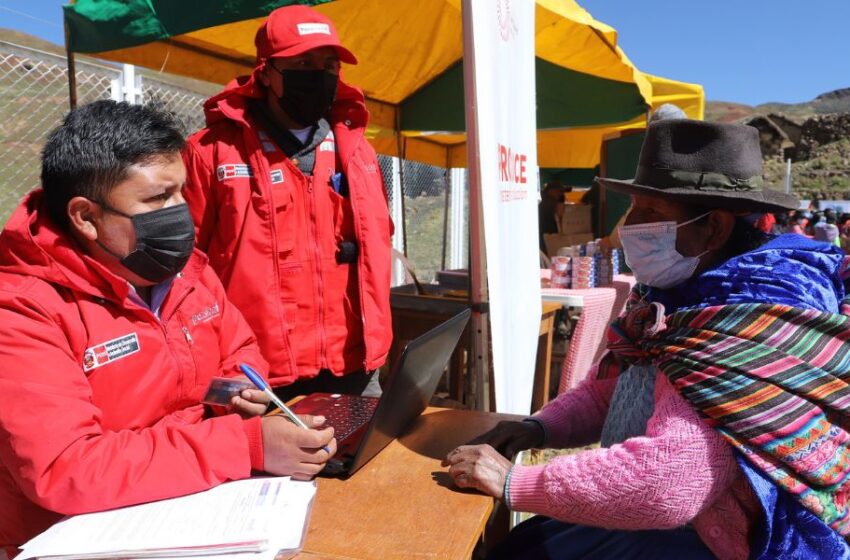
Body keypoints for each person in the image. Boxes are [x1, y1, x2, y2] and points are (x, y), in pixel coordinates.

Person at [445, 119, 850, 559]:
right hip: (678, 523)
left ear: (713, 228)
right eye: (632, 208)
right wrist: (537, 428)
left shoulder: (746, 316)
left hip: (721, 541)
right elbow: (614, 394)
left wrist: (513, 482)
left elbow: (671, 481)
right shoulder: (675, 296)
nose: (630, 226)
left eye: (651, 213)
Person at [0, 101, 337, 552]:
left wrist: (233, 390)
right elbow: (65, 468)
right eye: (158, 199)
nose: (182, 213)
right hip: (76, 537)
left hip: (197, 507)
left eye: (181, 192)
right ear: (86, 217)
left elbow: (239, 348)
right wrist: (243, 446)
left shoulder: (188, 274)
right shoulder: (23, 309)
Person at [182, 5, 392, 401]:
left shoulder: (359, 152)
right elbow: (186, 265)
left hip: (352, 366)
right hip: (254, 374)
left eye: (329, 65)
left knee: (367, 463)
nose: (320, 75)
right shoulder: (211, 152)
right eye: (305, 62)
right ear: (267, 70)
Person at [538, 181, 567, 252]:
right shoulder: (549, 201)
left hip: (543, 232)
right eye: (559, 191)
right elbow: (559, 214)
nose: (560, 194)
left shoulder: (541, 197)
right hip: (546, 232)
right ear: (551, 190)